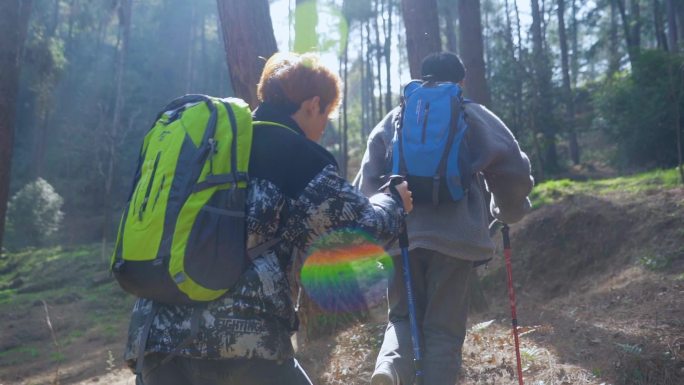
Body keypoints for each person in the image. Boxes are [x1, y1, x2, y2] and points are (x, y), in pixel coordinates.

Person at [122, 52, 413, 385]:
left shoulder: (216, 145)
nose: (323, 129)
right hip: (240, 344)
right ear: (313, 104)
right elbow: (364, 230)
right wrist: (393, 202)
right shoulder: (295, 155)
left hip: (154, 338)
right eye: (326, 116)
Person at [354, 51, 534, 385]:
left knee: (403, 319)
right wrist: (508, 210)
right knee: (444, 330)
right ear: (460, 82)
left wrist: (375, 232)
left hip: (400, 237)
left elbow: (367, 180)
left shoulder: (396, 117)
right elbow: (514, 167)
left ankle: (389, 369)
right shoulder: (471, 113)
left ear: (422, 78)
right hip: (456, 239)